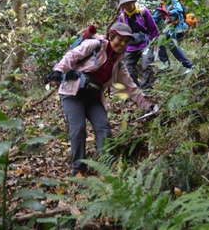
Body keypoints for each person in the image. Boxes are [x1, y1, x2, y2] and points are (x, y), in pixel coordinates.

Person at [47, 22, 156, 177]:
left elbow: (131, 88)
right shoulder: (95, 45)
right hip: (72, 93)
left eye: (126, 41)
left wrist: (148, 106)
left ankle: (106, 166)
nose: (122, 43)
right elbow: (73, 55)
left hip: (93, 97)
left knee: (103, 127)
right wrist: (59, 70)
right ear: (111, 36)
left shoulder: (118, 64)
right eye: (120, 39)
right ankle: (79, 169)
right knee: (78, 129)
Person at [117, 0, 160, 89]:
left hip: (145, 44)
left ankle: (147, 88)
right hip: (130, 46)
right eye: (125, 4)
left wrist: (154, 43)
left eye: (129, 3)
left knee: (147, 64)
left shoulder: (143, 12)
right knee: (128, 69)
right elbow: (121, 35)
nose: (127, 6)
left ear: (133, 2)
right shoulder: (122, 17)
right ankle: (136, 89)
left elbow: (153, 29)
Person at [151, 0, 193, 74]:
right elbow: (157, 16)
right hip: (168, 28)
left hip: (177, 27)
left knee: (171, 46)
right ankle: (167, 64)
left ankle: (188, 65)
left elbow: (179, 9)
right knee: (163, 42)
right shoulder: (160, 2)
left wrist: (168, 12)